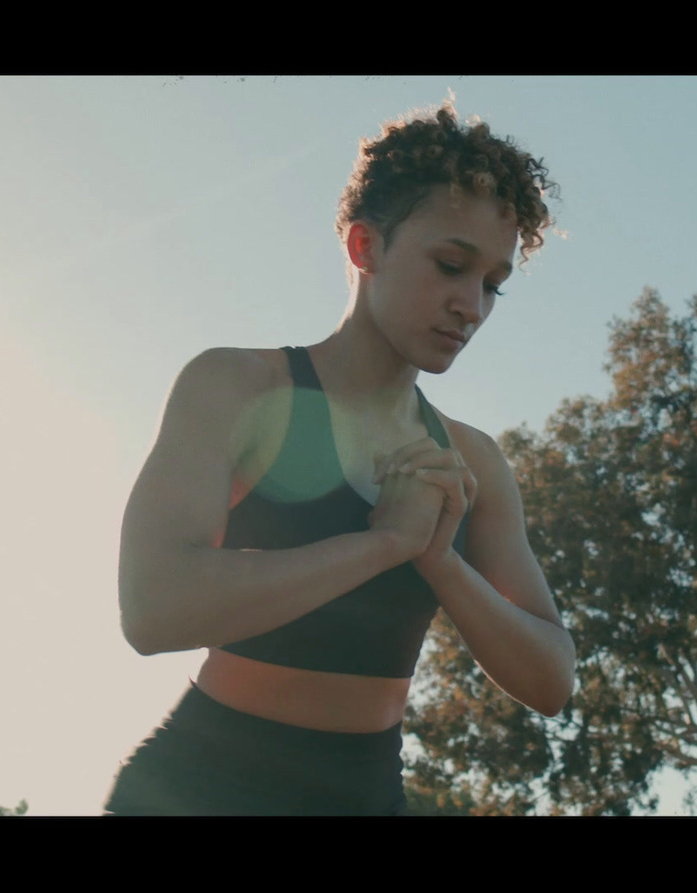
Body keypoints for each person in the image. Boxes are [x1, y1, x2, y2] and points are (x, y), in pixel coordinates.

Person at [104, 102, 576, 815]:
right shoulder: (235, 384)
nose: (471, 306)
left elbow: (551, 678)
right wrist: (379, 543)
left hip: (366, 794)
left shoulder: (470, 462)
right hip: (195, 788)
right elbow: (152, 608)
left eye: (491, 283)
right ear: (365, 246)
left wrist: (439, 560)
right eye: (451, 265)